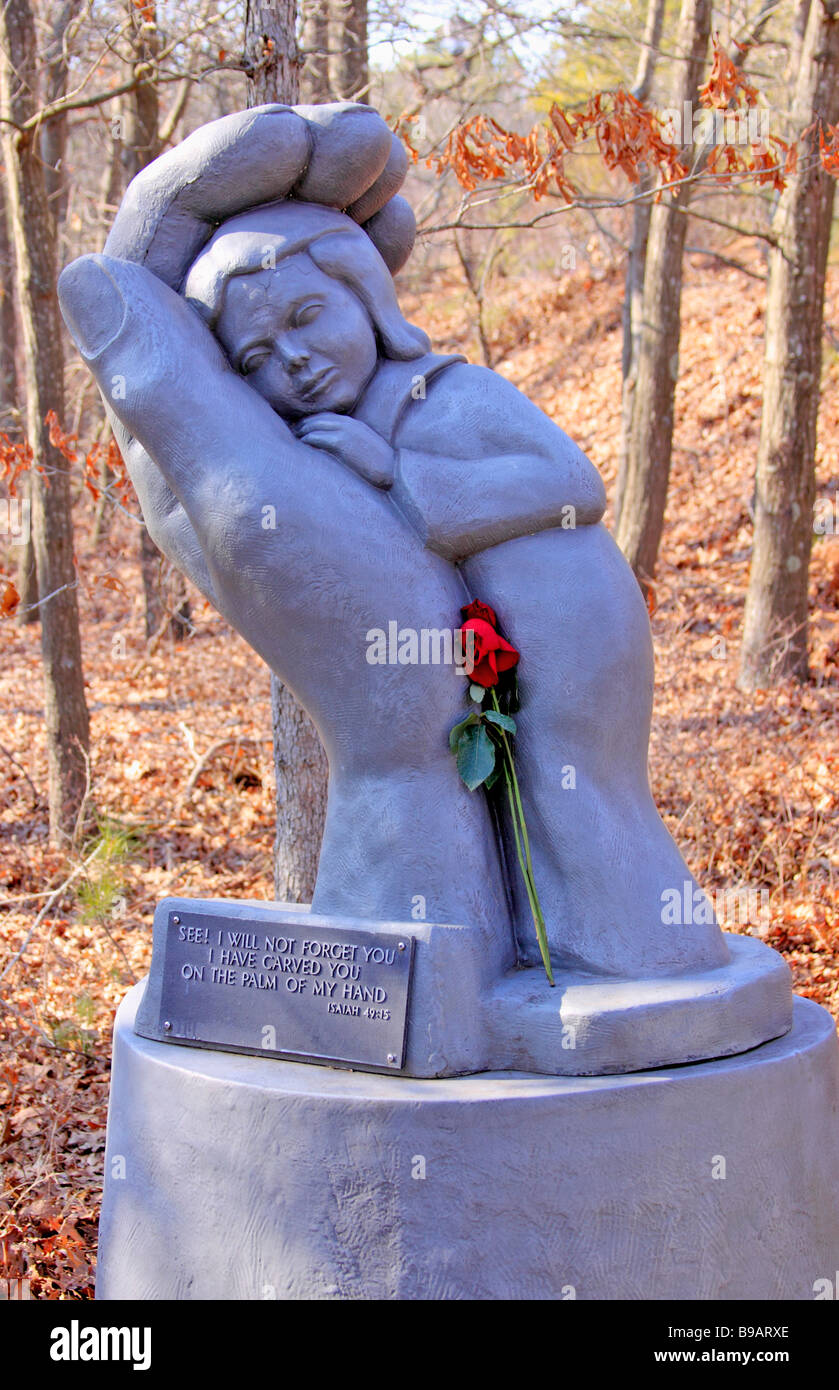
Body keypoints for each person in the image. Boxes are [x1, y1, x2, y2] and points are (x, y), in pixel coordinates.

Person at [59, 104, 727, 979]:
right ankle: (520, 960)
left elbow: (570, 483)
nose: (292, 360)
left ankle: (642, 962)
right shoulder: (323, 438)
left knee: (578, 793)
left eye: (306, 314)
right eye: (256, 359)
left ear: (366, 296)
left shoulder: (452, 392)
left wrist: (400, 480)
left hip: (577, 626)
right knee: (522, 795)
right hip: (493, 645)